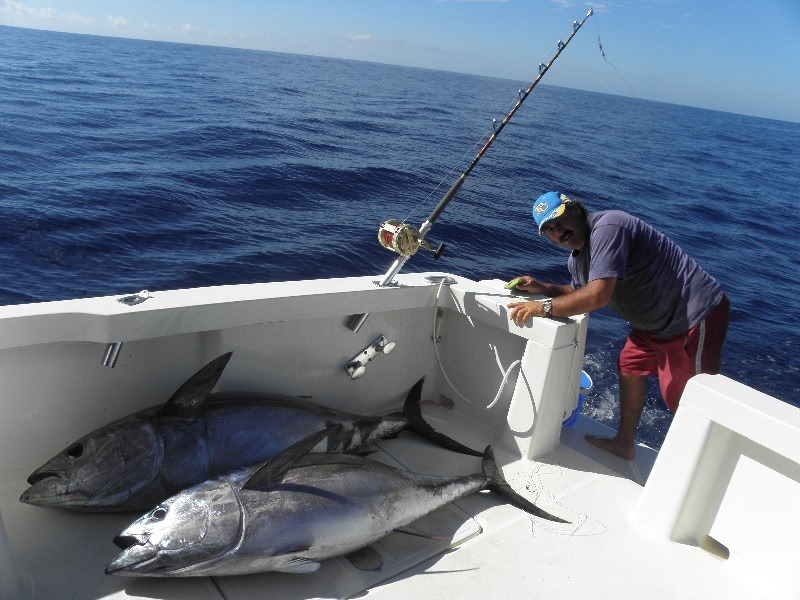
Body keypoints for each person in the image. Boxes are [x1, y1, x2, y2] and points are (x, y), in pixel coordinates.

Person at [507, 191, 729, 460]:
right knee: (630, 365)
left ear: (576, 209)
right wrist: (546, 288)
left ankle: (705, 464)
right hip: (655, 325)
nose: (558, 232)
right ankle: (624, 443)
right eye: (549, 230)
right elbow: (581, 291)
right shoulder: (577, 259)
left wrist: (543, 308)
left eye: (560, 220)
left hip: (692, 316)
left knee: (687, 400)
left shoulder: (609, 226)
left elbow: (597, 296)